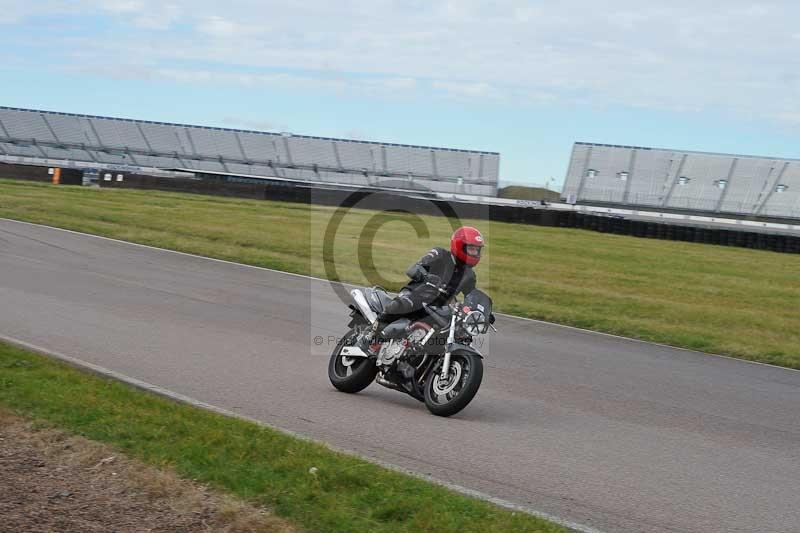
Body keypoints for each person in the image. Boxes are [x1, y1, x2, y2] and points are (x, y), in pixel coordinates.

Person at [359, 226, 485, 353]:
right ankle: (369, 335)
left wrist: (482, 311)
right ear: (459, 246)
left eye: (477, 250)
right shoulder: (440, 254)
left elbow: (471, 295)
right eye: (471, 249)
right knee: (399, 305)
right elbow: (414, 268)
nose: (474, 253)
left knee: (459, 333)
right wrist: (426, 276)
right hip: (416, 292)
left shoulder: (469, 275)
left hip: (438, 308)